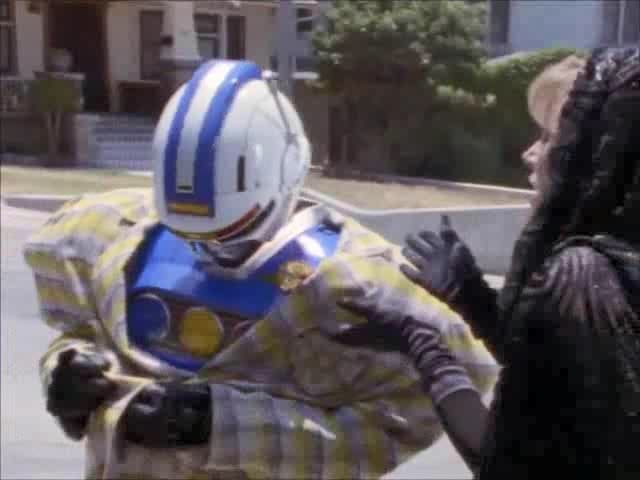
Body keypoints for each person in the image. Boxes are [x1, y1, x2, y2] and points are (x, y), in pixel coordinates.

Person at [24, 60, 498, 479]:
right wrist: (65, 372)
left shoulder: (358, 286)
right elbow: (81, 332)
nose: (210, 250)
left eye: (232, 233)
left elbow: (389, 430)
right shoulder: (113, 236)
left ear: (284, 175)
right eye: (188, 234)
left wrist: (225, 426)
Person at [332, 46, 640, 479]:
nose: (530, 153)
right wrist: (471, 297)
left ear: (602, 153)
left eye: (552, 137)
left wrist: (425, 350)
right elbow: (561, 390)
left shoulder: (582, 278)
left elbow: (507, 460)